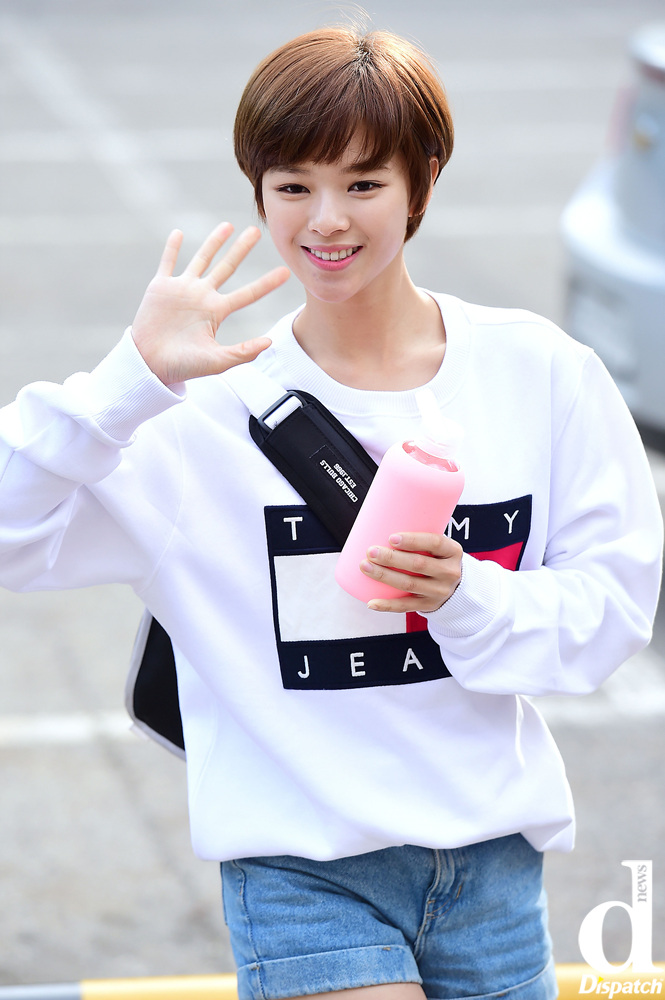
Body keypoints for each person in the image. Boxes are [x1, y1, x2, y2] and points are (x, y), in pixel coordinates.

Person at [0, 24, 662, 1000]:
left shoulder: (539, 374)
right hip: (300, 874)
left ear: (421, 182)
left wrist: (466, 596)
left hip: (490, 864)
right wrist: (124, 382)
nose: (325, 220)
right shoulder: (197, 413)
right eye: (292, 186)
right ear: (258, 191)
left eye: (362, 183)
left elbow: (612, 609)